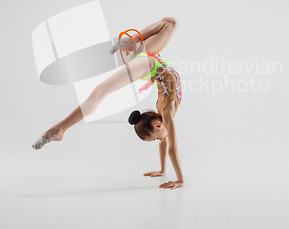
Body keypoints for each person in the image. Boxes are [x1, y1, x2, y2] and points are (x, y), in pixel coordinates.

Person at [31, 17, 184, 190]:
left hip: (149, 57)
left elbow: (165, 142)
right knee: (100, 91)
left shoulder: (162, 112)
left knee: (170, 23)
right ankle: (59, 129)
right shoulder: (167, 114)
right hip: (149, 64)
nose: (161, 139)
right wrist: (180, 180)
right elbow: (173, 148)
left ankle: (133, 40)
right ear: (157, 125)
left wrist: (163, 170)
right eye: (157, 137)